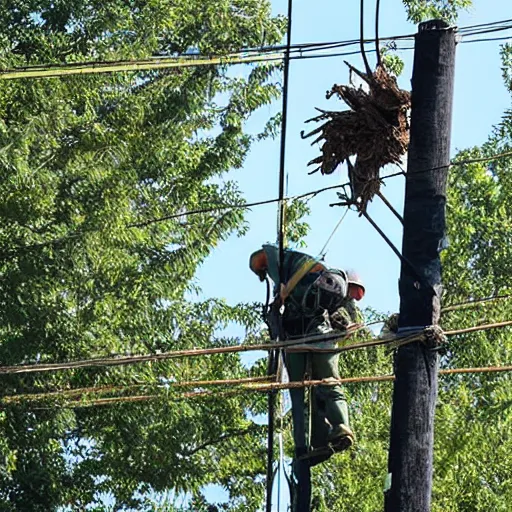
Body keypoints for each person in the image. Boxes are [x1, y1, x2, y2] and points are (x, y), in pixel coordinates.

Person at [249, 244, 365, 465]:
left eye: (262, 267)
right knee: (314, 388)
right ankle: (318, 441)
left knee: (318, 386)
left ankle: (333, 430)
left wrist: (343, 323)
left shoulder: (299, 268)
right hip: (305, 338)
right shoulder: (292, 273)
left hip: (312, 337)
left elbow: (345, 311)